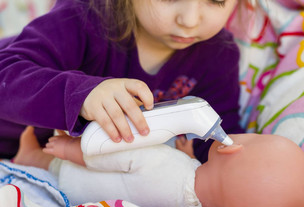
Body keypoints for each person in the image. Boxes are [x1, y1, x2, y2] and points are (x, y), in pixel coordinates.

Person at [0, 0, 245, 163]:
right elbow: (6, 76)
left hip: (55, 153)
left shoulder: (218, 55)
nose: (189, 20)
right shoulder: (85, 15)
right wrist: (83, 95)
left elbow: (220, 139)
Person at [14, 126, 304, 207]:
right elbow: (177, 188)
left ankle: (29, 158)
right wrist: (189, 157)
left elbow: (116, 157)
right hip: (86, 198)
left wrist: (69, 148)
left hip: (72, 177)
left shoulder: (164, 161)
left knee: (46, 162)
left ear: (230, 150)